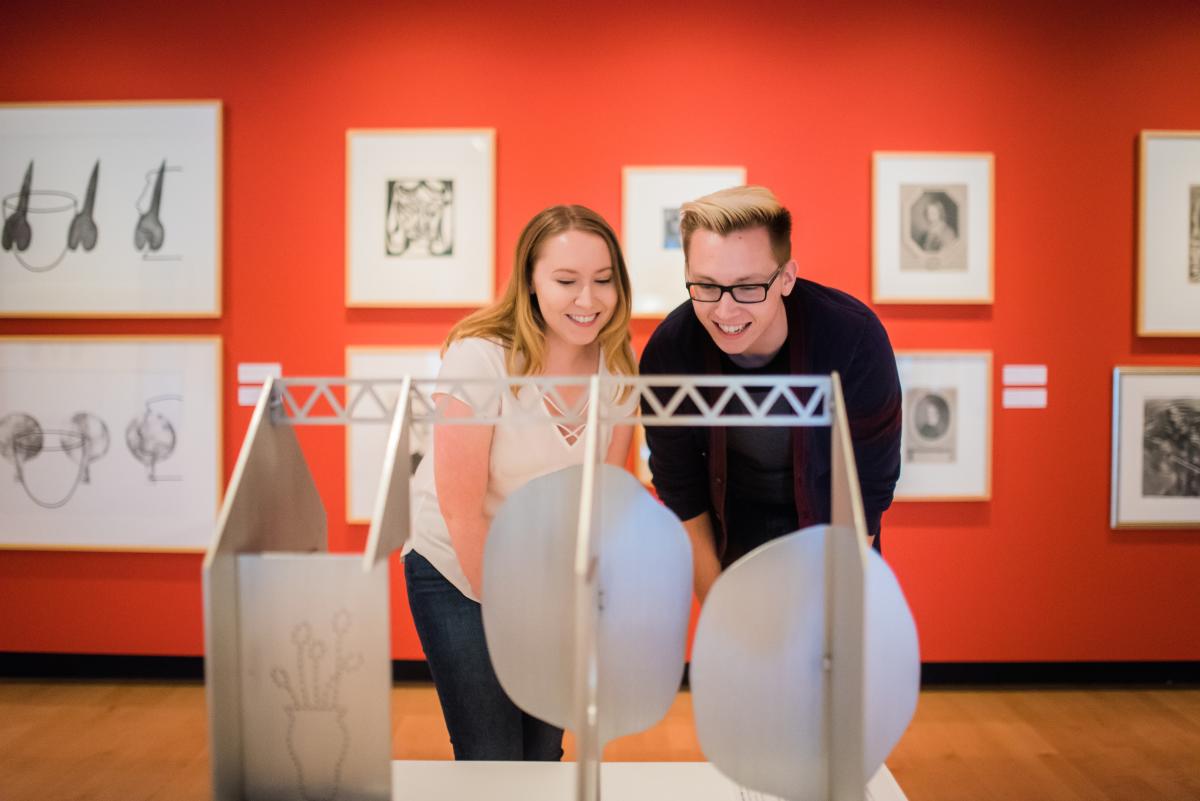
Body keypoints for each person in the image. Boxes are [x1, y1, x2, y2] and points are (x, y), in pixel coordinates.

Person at [403, 204, 637, 760]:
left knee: (543, 755)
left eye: (603, 281)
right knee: (491, 754)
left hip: (548, 577)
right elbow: (462, 513)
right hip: (459, 569)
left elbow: (601, 505)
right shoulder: (479, 357)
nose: (588, 299)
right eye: (566, 281)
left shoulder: (620, 369)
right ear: (530, 282)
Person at [639, 186, 901, 602]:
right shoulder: (670, 352)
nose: (725, 312)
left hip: (835, 555)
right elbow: (680, 492)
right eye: (706, 286)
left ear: (787, 278)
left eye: (747, 287)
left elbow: (868, 487)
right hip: (732, 554)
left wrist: (832, 616)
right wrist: (718, 611)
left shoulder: (854, 339)